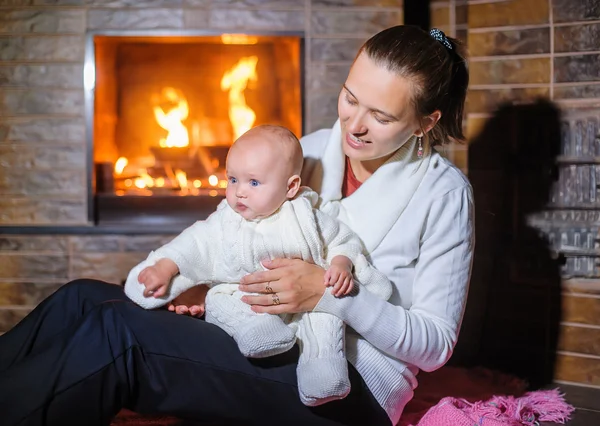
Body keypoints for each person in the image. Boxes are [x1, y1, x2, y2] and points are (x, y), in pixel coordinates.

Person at [0, 25, 473, 426]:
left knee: (117, 333)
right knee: (81, 298)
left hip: (347, 381)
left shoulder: (444, 194)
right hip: (263, 332)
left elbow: (434, 346)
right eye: (350, 98)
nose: (355, 124)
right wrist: (197, 285)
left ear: (423, 123)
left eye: (381, 116)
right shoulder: (308, 149)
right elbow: (235, 234)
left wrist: (328, 295)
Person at [123, 124, 392, 406]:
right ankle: (255, 331)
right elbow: (194, 243)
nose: (239, 192)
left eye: (253, 183)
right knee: (218, 299)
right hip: (247, 299)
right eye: (233, 179)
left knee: (326, 318)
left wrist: (341, 263)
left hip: (306, 306)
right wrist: (166, 266)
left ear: (290, 187)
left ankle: (323, 370)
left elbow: (342, 240)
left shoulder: (304, 216)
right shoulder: (226, 220)